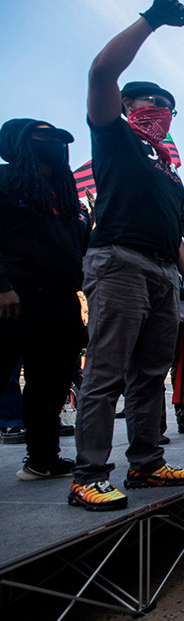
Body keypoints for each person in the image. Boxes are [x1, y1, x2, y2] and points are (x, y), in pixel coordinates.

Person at [70, 0, 184, 510]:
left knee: (151, 374)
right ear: (127, 107)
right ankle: (89, 475)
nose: (160, 113)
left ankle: (146, 464)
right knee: (106, 371)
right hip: (118, 262)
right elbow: (102, 71)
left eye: (168, 108)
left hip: (164, 272)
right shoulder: (115, 141)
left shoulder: (168, 174)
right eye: (150, 103)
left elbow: (174, 235)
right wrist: (151, 22)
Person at [0, 118, 89, 480]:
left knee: (50, 385)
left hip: (61, 300)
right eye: (41, 135)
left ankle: (42, 459)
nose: (52, 142)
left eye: (56, 137)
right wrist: (2, 285)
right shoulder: (6, 181)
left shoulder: (64, 192)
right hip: (14, 297)